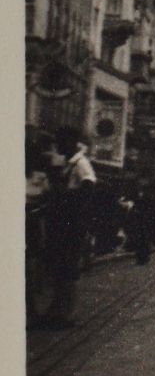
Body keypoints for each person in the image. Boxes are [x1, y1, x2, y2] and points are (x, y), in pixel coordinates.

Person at [39, 128, 97, 329]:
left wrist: (71, 203)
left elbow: (89, 186)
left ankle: (67, 314)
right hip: (62, 222)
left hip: (71, 223)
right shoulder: (68, 162)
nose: (59, 146)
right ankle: (57, 310)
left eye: (61, 141)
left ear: (71, 143)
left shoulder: (81, 163)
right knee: (59, 267)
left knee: (67, 268)